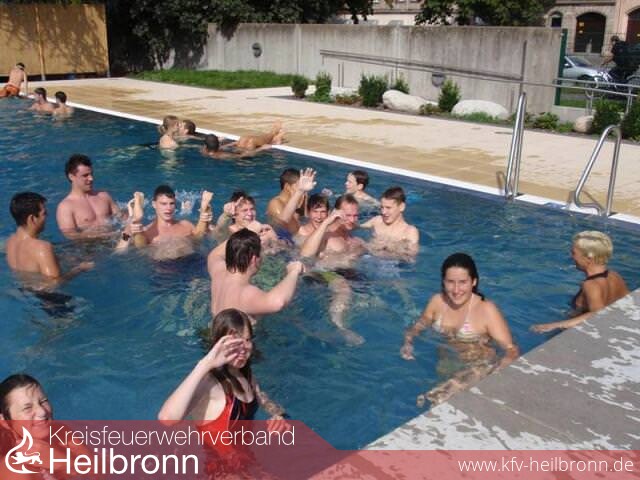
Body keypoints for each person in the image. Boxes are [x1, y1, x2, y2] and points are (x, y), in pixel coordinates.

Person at [158, 309, 285, 475]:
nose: (243, 348)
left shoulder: (245, 374)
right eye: (235, 343)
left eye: (247, 340)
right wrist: (206, 363)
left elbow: (262, 398)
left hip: (247, 464)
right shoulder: (210, 384)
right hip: (221, 472)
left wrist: (279, 415)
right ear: (219, 345)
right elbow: (167, 418)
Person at [400, 253, 519, 406]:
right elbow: (418, 326)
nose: (456, 290)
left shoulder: (486, 310)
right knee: (432, 404)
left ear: (474, 282)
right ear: (443, 282)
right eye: (450, 282)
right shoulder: (438, 302)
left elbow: (511, 350)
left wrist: (495, 373)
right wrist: (408, 342)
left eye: (463, 282)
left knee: (437, 400)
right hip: (446, 364)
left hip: (478, 368)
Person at [532, 231, 629, 333]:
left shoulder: (591, 285)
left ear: (589, 258)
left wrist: (553, 325)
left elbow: (598, 314)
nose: (571, 257)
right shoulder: (615, 276)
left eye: (574, 253)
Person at [301, 194, 366, 345]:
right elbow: (305, 254)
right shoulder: (326, 234)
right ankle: (339, 327)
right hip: (321, 272)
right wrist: (327, 221)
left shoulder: (354, 238)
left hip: (344, 274)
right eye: (347, 215)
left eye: (355, 215)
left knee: (372, 301)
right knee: (343, 288)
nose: (352, 220)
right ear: (337, 213)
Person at [0, 374, 92, 479]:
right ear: (5, 421)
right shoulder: (12, 466)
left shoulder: (60, 433)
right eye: (27, 408)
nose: (42, 412)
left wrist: (60, 461)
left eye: (43, 401)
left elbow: (100, 471)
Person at [207, 228, 304, 320]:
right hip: (244, 332)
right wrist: (294, 271)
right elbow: (278, 303)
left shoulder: (218, 274)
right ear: (254, 259)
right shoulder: (244, 293)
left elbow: (214, 255)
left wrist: (246, 231)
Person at [6, 192, 93, 283]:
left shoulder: (11, 241)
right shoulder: (42, 247)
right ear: (32, 218)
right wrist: (79, 268)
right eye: (44, 213)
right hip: (43, 292)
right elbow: (54, 284)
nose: (47, 216)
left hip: (22, 288)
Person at [118, 185, 212, 258]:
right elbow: (119, 250)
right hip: (162, 269)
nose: (168, 208)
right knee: (141, 244)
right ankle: (136, 219)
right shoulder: (146, 231)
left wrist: (206, 221)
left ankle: (203, 214)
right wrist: (128, 228)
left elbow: (201, 239)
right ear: (154, 204)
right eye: (163, 204)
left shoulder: (186, 225)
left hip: (191, 261)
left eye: (172, 203)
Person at [56, 154, 123, 239]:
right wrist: (104, 235)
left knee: (132, 235)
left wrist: (133, 213)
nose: (91, 178)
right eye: (85, 175)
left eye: (91, 174)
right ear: (71, 176)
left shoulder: (104, 196)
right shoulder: (65, 207)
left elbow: (122, 218)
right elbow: (71, 236)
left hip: (115, 239)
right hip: (91, 246)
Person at [360, 186, 420, 258]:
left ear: (401, 207)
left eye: (388, 208)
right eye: (382, 207)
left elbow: (411, 257)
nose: (383, 212)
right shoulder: (377, 220)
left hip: (391, 263)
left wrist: (392, 247)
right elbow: (356, 228)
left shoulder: (409, 231)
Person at [266, 168, 304, 234]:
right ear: (287, 187)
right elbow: (291, 230)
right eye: (300, 187)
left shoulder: (300, 200)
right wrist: (298, 209)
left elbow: (307, 220)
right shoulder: (275, 203)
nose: (303, 190)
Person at [201, 134, 270, 160]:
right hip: (244, 161)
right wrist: (261, 148)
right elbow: (244, 155)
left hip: (237, 152)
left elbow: (213, 146)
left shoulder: (204, 150)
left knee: (243, 138)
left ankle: (273, 136)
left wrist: (232, 143)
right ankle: (272, 134)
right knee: (251, 141)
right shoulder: (223, 155)